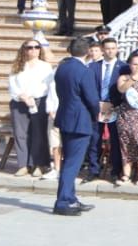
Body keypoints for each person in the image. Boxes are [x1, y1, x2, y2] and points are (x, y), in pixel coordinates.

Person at [51, 37, 100, 216]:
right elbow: (92, 98)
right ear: (87, 51)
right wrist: (96, 112)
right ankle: (63, 201)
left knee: (68, 160)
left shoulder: (62, 67)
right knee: (73, 162)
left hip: (65, 116)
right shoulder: (84, 71)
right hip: (80, 119)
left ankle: (70, 197)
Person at [7, 39, 54, 177]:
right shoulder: (18, 66)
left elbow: (48, 85)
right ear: (24, 49)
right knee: (21, 134)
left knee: (38, 133)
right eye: (30, 47)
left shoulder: (45, 66)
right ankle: (23, 164)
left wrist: (32, 97)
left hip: (39, 101)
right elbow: (12, 83)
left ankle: (39, 164)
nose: (33, 50)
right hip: (20, 100)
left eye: (36, 47)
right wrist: (22, 96)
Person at [87, 36, 124, 182]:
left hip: (115, 107)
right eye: (107, 48)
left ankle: (115, 171)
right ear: (102, 50)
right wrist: (96, 103)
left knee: (115, 141)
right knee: (94, 139)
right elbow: (88, 87)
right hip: (98, 107)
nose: (110, 51)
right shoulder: (93, 66)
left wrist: (115, 103)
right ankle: (94, 170)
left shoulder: (123, 67)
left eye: (113, 48)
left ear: (117, 49)